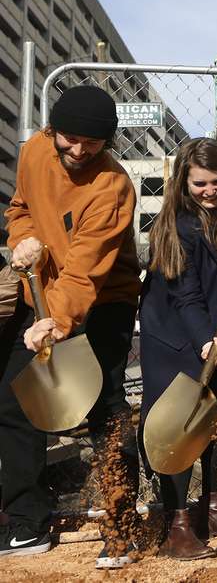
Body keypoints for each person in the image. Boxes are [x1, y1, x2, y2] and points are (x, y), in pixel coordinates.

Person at [0, 86, 142, 568]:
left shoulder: (113, 186)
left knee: (105, 405)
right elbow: (20, 210)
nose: (79, 151)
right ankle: (27, 524)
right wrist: (23, 240)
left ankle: (122, 527)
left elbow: (85, 270)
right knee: (14, 399)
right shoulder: (34, 152)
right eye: (70, 139)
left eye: (93, 144)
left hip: (104, 301)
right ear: (51, 131)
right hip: (39, 293)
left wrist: (54, 323)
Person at [139, 138, 217, 558]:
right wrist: (206, 340)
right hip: (178, 335)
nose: (210, 191)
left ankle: (214, 504)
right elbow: (184, 295)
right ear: (183, 182)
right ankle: (176, 523)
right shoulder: (176, 224)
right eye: (200, 184)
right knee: (180, 424)